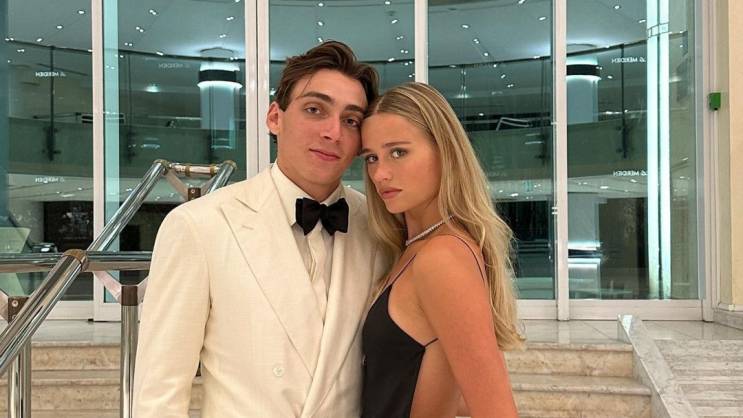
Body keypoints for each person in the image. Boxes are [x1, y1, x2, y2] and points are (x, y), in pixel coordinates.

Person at [133, 41, 389, 418]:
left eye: (351, 120)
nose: (333, 132)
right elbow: (159, 395)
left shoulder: (379, 226)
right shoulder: (200, 225)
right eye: (315, 110)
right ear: (274, 118)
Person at [359, 82, 524, 418]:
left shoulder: (442, 257)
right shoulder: (416, 249)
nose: (380, 173)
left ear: (444, 151)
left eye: (398, 152)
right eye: (372, 158)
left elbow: (496, 411)